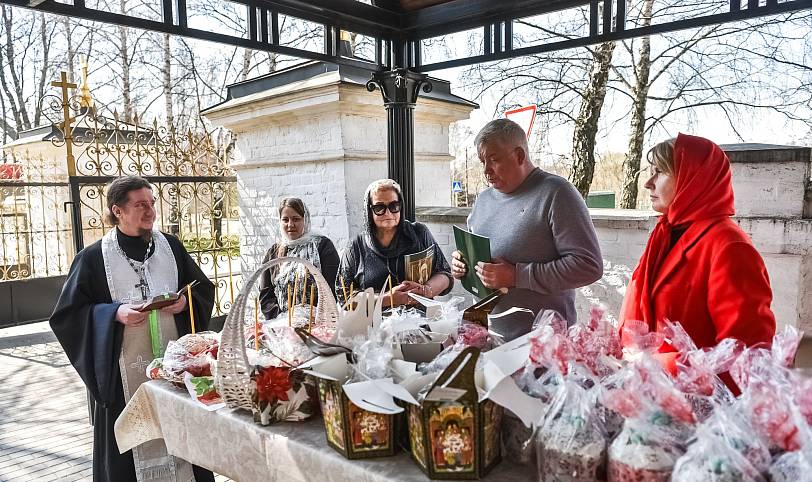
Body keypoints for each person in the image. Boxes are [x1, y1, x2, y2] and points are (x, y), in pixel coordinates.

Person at [49, 176, 215, 482]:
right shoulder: (92, 258)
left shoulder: (171, 247)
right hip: (124, 377)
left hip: (174, 368)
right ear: (118, 210)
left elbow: (201, 288)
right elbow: (67, 316)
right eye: (141, 205)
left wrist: (185, 304)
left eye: (152, 203)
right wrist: (114, 313)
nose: (150, 210)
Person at [619, 134, 776, 368]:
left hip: (695, 398)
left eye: (660, 172)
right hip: (648, 392)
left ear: (693, 179)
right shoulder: (665, 234)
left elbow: (743, 354)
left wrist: (657, 367)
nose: (648, 182)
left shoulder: (729, 246)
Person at [451, 119, 603, 341]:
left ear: (519, 156)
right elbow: (481, 254)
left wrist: (517, 276)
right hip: (489, 337)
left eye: (494, 160)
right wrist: (462, 263)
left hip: (545, 346)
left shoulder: (557, 193)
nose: (486, 170)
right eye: (482, 161)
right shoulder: (482, 200)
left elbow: (589, 266)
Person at [337, 179, 453, 307]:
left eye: (394, 206)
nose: (388, 213)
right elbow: (344, 295)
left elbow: (445, 274)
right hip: (375, 325)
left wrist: (425, 290)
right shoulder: (356, 246)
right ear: (369, 210)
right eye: (379, 207)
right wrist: (385, 299)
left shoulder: (419, 233)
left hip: (419, 321)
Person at [258, 197, 339, 320]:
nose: (290, 224)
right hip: (282, 326)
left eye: (296, 219)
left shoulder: (322, 246)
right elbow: (266, 295)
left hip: (317, 323)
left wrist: (313, 318)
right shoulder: (273, 253)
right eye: (285, 220)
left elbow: (332, 287)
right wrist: (283, 319)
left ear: (305, 220)